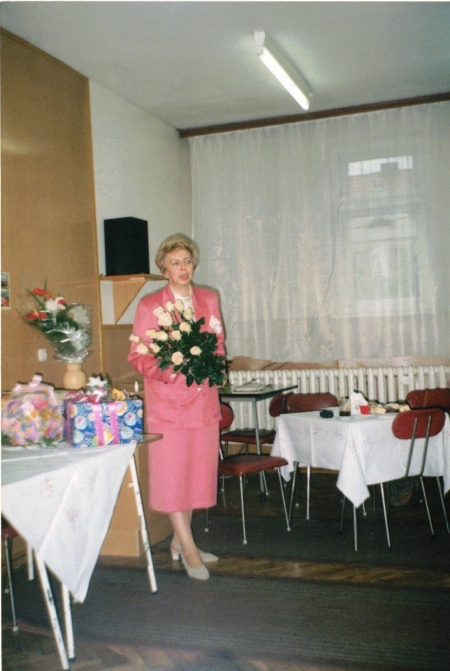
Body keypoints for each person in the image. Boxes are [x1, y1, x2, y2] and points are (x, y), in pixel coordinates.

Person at [128, 233, 226, 581]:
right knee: (172, 477)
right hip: (168, 405)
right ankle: (189, 550)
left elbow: (217, 343)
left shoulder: (208, 298)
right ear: (164, 269)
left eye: (187, 261)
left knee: (195, 475)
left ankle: (178, 541)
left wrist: (213, 366)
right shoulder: (150, 305)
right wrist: (171, 370)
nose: (182, 268)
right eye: (175, 263)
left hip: (203, 402)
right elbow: (138, 355)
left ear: (193, 264)